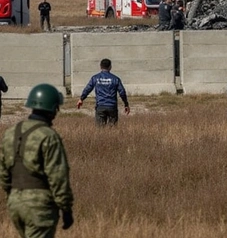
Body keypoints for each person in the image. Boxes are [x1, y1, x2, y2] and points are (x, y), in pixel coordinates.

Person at [0, 83, 74, 236]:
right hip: (38, 205)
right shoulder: (48, 136)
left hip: (15, 203)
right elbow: (58, 176)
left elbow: (3, 171)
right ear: (53, 109)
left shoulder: (11, 133)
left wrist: (12, 194)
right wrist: (66, 208)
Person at [77, 58, 130, 126]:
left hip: (100, 106)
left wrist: (81, 99)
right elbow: (122, 92)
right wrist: (126, 104)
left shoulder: (95, 78)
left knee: (100, 131)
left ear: (100, 66)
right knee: (112, 130)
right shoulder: (116, 79)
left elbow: (88, 89)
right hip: (112, 107)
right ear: (110, 67)